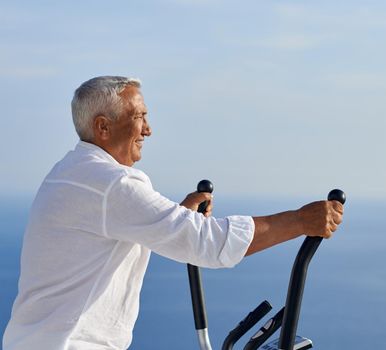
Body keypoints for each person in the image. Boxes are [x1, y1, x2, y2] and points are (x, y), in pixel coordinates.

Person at [3, 76, 344, 350]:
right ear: (103, 127)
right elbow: (209, 244)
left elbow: (107, 234)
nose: (148, 130)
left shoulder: (68, 173)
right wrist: (301, 220)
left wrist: (178, 217)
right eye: (139, 118)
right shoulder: (112, 183)